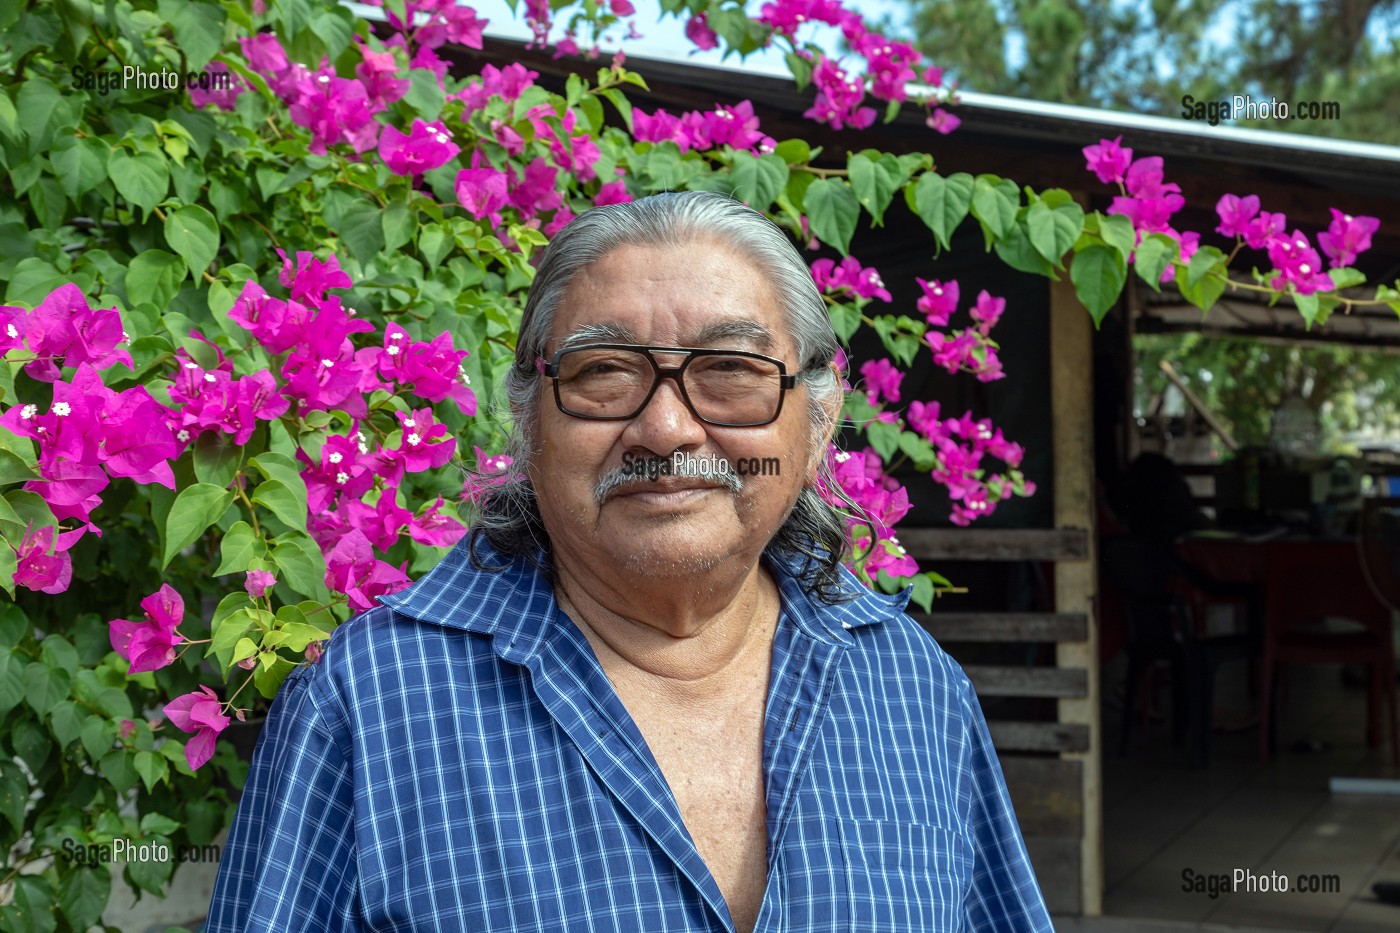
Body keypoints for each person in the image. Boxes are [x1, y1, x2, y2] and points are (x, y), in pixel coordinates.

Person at [206, 191, 1053, 932]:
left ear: (818, 423)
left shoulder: (911, 688)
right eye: (605, 371)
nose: (668, 430)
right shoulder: (369, 705)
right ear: (531, 422)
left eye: (731, 369)